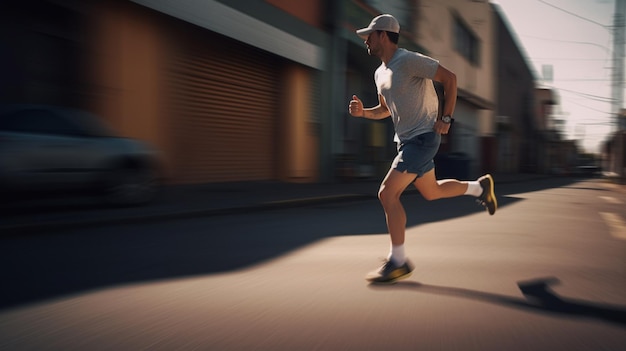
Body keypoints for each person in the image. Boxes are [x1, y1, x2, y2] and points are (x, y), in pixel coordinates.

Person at [348, 14, 497, 284]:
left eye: (370, 35)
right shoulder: (379, 73)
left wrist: (447, 118)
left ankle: (398, 261)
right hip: (406, 142)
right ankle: (480, 187)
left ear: (384, 35)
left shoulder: (408, 60)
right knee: (432, 191)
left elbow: (449, 79)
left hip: (423, 138)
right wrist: (363, 114)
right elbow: (384, 109)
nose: (366, 40)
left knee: (387, 194)